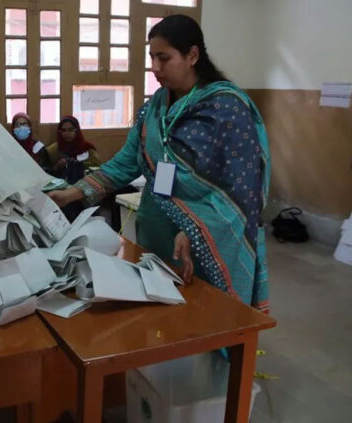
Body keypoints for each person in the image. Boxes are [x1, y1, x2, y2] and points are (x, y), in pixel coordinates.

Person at [48, 15, 271, 313]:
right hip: (156, 233)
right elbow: (125, 163)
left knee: (206, 319)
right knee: (160, 315)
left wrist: (195, 229)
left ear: (192, 55)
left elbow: (243, 188)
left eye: (163, 58)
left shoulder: (227, 109)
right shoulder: (155, 108)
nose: (154, 67)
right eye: (152, 57)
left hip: (208, 239)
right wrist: (71, 194)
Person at [46, 116, 101, 181]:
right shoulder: (53, 149)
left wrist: (75, 164)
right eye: (64, 130)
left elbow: (96, 165)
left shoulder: (86, 147)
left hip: (84, 181)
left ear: (76, 130)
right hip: (59, 183)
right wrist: (57, 167)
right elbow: (45, 170)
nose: (67, 133)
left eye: (70, 129)